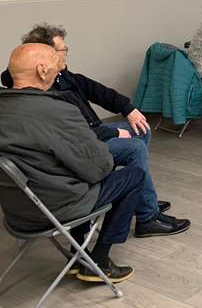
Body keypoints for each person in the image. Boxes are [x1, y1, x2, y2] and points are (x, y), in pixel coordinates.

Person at [1, 24, 190, 238]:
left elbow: (95, 90)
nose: (66, 53)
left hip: (89, 135)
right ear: (43, 61)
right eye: (62, 50)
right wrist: (115, 134)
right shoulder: (45, 94)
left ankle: (142, 199)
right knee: (134, 148)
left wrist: (128, 108)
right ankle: (147, 216)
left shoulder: (60, 77)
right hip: (87, 142)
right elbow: (77, 139)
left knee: (141, 130)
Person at [0, 44, 144, 283]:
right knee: (133, 176)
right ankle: (99, 261)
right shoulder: (57, 111)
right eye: (56, 67)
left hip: (17, 211)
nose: (59, 72)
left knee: (75, 174)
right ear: (42, 70)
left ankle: (77, 255)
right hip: (56, 208)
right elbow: (100, 167)